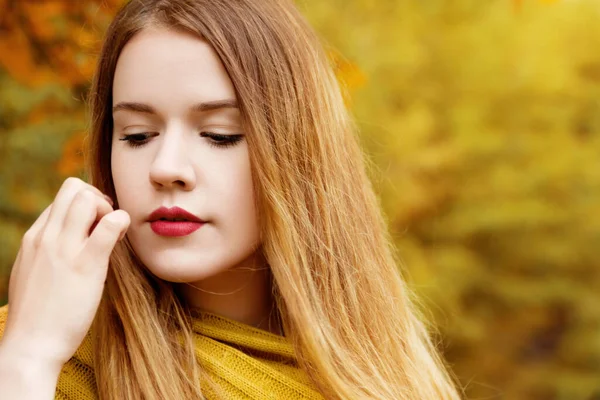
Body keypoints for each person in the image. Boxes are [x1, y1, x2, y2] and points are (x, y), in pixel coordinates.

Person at [0, 0, 461, 398]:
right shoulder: (36, 355)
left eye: (220, 135)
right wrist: (28, 359)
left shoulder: (392, 376)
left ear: (300, 153)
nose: (167, 167)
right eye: (138, 135)